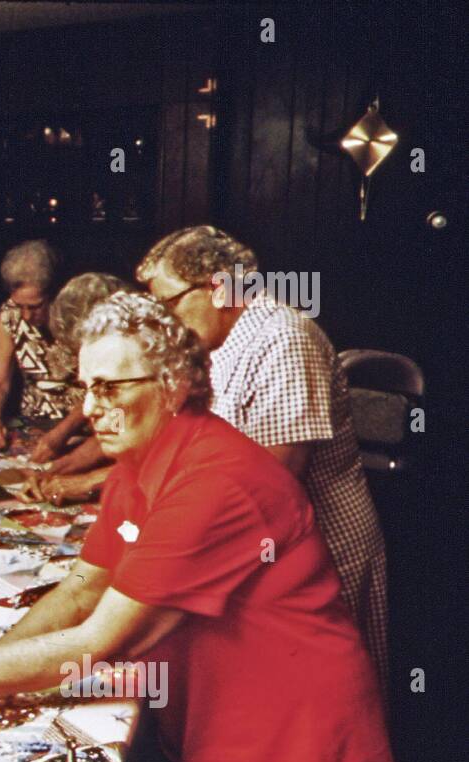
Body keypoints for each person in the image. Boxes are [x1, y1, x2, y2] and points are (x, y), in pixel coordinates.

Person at [0, 293, 395, 762]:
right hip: (223, 731)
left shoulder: (215, 481)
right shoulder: (138, 462)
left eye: (110, 387)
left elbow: (98, 639)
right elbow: (81, 591)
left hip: (293, 747)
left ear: (173, 386)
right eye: (86, 387)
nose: (91, 407)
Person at [136, 225, 389, 683]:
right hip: (263, 547)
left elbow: (273, 481)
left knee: (320, 697)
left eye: (168, 304)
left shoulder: (285, 338)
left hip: (320, 551)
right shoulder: (221, 341)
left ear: (218, 288)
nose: (165, 322)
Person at [14, 272, 129, 506]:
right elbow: (112, 433)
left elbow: (165, 461)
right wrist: (53, 472)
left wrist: (88, 482)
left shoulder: (151, 368)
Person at [0, 240, 72, 446]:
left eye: (35, 306)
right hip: (32, 426)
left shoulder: (76, 313)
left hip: (78, 428)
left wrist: (60, 436)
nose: (26, 315)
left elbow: (100, 393)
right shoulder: (10, 314)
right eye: (20, 305)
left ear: (54, 293)